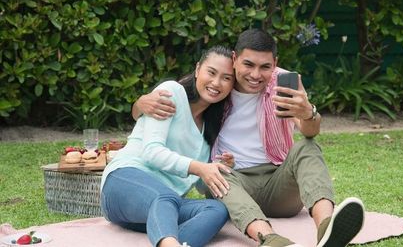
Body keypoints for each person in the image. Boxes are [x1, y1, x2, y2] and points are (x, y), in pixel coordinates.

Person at [132, 29, 365, 247]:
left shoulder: (283, 83)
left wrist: (309, 113)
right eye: (248, 64)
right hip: (235, 184)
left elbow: (309, 130)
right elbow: (179, 100)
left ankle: (327, 228)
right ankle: (270, 239)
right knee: (218, 174)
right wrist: (139, 104)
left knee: (307, 146)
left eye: (265, 67)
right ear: (234, 59)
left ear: (275, 63)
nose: (255, 75)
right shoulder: (218, 86)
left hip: (279, 183)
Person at [101, 45, 236, 247]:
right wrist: (200, 167)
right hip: (123, 182)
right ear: (198, 69)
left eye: (226, 78)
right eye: (211, 72)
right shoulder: (171, 93)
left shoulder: (211, 127)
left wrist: (216, 168)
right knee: (164, 196)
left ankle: (170, 241)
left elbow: (198, 185)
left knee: (217, 210)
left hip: (162, 208)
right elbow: (151, 153)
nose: (216, 83)